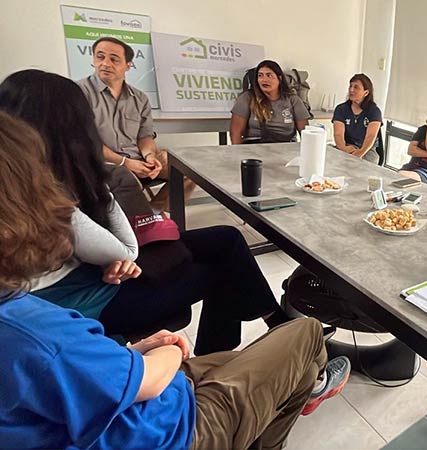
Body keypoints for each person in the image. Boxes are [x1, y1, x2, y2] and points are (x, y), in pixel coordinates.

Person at [0, 110, 349, 449]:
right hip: (169, 426)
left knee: (226, 246)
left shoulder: (25, 317)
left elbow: (88, 370)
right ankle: (290, 361)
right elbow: (125, 253)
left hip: (123, 352)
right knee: (307, 333)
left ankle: (275, 360)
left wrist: (136, 351)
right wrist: (167, 351)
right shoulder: (37, 333)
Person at [0, 69, 293, 356]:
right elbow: (126, 251)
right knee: (224, 272)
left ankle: (276, 325)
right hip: (83, 303)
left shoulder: (23, 178)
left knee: (227, 238)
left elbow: (145, 139)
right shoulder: (41, 194)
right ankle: (219, 362)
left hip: (94, 271)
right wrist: (102, 177)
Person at [76, 36, 194, 213]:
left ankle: (153, 213)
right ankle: (140, 218)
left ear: (128, 65)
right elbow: (85, 143)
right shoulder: (78, 92)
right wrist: (126, 163)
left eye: (114, 59)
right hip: (101, 162)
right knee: (126, 178)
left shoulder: (139, 98)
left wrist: (149, 157)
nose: (105, 63)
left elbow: (144, 136)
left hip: (136, 158)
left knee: (187, 167)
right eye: (100, 57)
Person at [230, 60, 310, 144]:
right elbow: (235, 133)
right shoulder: (247, 98)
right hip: (254, 147)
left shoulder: (293, 100)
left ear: (279, 78)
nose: (264, 80)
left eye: (269, 75)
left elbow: (306, 134)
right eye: (260, 75)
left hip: (286, 146)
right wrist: (239, 155)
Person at [332, 73, 383, 164]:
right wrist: (344, 148)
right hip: (345, 147)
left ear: (366, 92)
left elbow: (371, 136)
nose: (351, 90)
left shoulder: (374, 111)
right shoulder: (341, 109)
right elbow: (338, 134)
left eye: (356, 87)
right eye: (350, 86)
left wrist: (359, 153)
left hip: (367, 150)